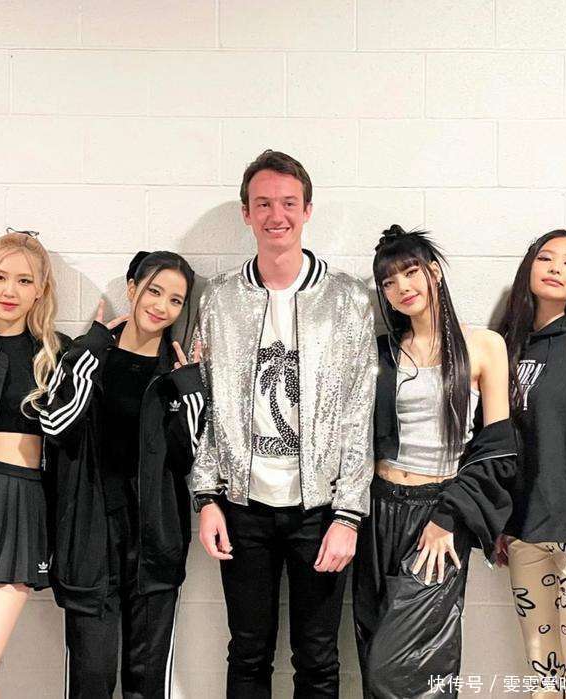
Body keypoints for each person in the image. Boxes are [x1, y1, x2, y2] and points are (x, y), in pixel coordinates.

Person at [191, 149, 377, 698]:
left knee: (317, 658)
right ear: (246, 213)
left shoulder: (346, 298)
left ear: (307, 210)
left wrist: (349, 514)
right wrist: (207, 498)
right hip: (242, 507)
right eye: (264, 203)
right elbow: (206, 405)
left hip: (320, 509)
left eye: (289, 203)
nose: (277, 215)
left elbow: (359, 410)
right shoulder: (220, 299)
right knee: (247, 652)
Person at [353, 225, 518, 698]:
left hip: (439, 512)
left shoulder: (483, 345)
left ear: (435, 272)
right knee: (372, 647)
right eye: (388, 281)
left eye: (410, 272)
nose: (402, 287)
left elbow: (498, 446)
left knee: (401, 667)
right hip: (378, 510)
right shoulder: (382, 351)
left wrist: (449, 517)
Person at [39, 251, 205, 699]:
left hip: (154, 547)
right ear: (132, 289)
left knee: (147, 685)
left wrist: (190, 389)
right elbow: (55, 425)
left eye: (175, 300)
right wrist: (89, 353)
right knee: (90, 681)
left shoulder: (176, 375)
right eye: (154, 291)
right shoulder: (86, 356)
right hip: (89, 542)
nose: (161, 306)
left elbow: (192, 457)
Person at [497, 230, 566, 696]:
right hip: (525, 530)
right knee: (543, 672)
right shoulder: (509, 344)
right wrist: (500, 519)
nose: (556, 267)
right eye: (546, 258)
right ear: (529, 268)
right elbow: (500, 442)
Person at [0, 229, 64, 699]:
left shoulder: (57, 355)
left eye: (24, 281)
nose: (10, 290)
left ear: (40, 289)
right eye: (0, 277)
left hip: (18, 507)